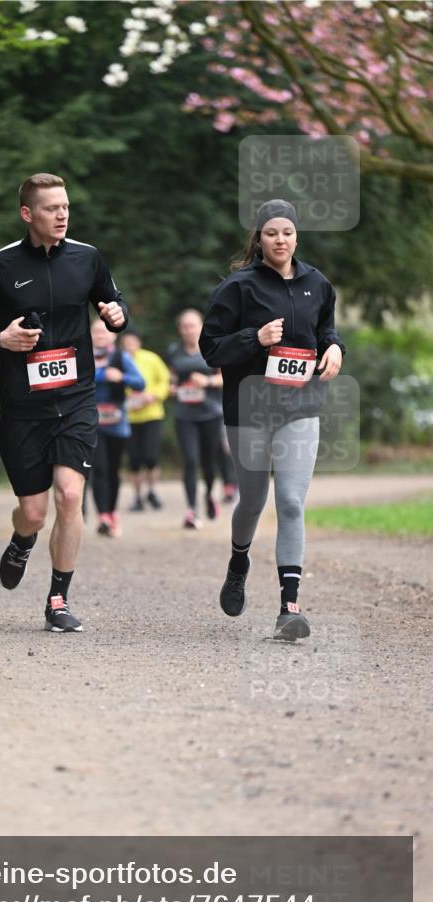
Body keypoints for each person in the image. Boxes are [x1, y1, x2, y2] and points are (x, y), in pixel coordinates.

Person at [0, 173, 128, 633]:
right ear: (27, 214)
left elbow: (113, 303)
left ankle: (58, 598)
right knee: (34, 512)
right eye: (52, 208)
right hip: (23, 408)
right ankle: (21, 539)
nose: (63, 214)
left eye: (66, 207)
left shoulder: (87, 258)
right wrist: (1, 338)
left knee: (70, 496)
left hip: (76, 400)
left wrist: (116, 313)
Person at [199, 198, 345, 641]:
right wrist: (254, 338)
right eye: (270, 233)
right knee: (252, 500)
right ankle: (239, 559)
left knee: (292, 502)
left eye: (286, 232)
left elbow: (326, 330)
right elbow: (210, 349)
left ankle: (289, 606)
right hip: (249, 411)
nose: (280, 240)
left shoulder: (316, 283)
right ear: (258, 239)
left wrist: (335, 347)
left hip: (300, 408)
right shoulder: (238, 287)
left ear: (296, 235)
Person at [167, 309, 233, 529]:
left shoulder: (212, 347)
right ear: (180, 329)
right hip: (185, 415)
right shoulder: (174, 352)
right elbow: (171, 379)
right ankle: (191, 510)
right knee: (190, 460)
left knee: (208, 461)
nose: (189, 330)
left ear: (201, 326)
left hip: (211, 414)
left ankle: (208, 494)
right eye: (184, 326)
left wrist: (207, 382)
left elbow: (226, 378)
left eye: (193, 325)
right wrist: (173, 388)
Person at [91, 320, 145, 537]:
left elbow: (140, 383)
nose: (100, 335)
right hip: (91, 423)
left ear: (113, 336)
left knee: (113, 470)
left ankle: (112, 513)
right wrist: (104, 375)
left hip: (117, 423)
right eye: (95, 331)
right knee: (99, 469)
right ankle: (102, 515)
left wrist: (121, 377)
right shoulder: (81, 355)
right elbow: (73, 379)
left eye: (104, 331)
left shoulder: (122, 357)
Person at [120, 328, 170, 512]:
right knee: (134, 460)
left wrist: (153, 396)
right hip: (128, 417)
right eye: (125, 343)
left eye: (132, 342)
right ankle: (137, 497)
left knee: (151, 456)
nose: (129, 345)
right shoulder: (118, 362)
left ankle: (153, 491)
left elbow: (164, 381)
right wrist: (127, 400)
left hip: (152, 415)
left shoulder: (151, 358)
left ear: (139, 342)